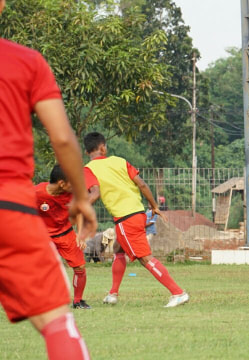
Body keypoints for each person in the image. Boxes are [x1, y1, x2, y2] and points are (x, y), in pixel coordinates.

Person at [0, 0, 97, 355]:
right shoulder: (25, 61)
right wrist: (82, 200)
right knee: (58, 324)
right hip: (8, 203)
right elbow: (61, 138)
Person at [83, 132, 189, 308]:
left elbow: (94, 193)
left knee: (144, 258)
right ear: (103, 147)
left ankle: (178, 293)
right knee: (118, 248)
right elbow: (142, 184)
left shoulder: (88, 169)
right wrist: (154, 206)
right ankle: (112, 294)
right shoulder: (119, 161)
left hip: (125, 218)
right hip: (138, 213)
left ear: (87, 152)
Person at [35, 165, 98, 309]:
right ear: (61, 183)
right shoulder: (37, 193)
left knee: (80, 267)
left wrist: (80, 235)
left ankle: (78, 301)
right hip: (44, 237)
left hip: (66, 233)